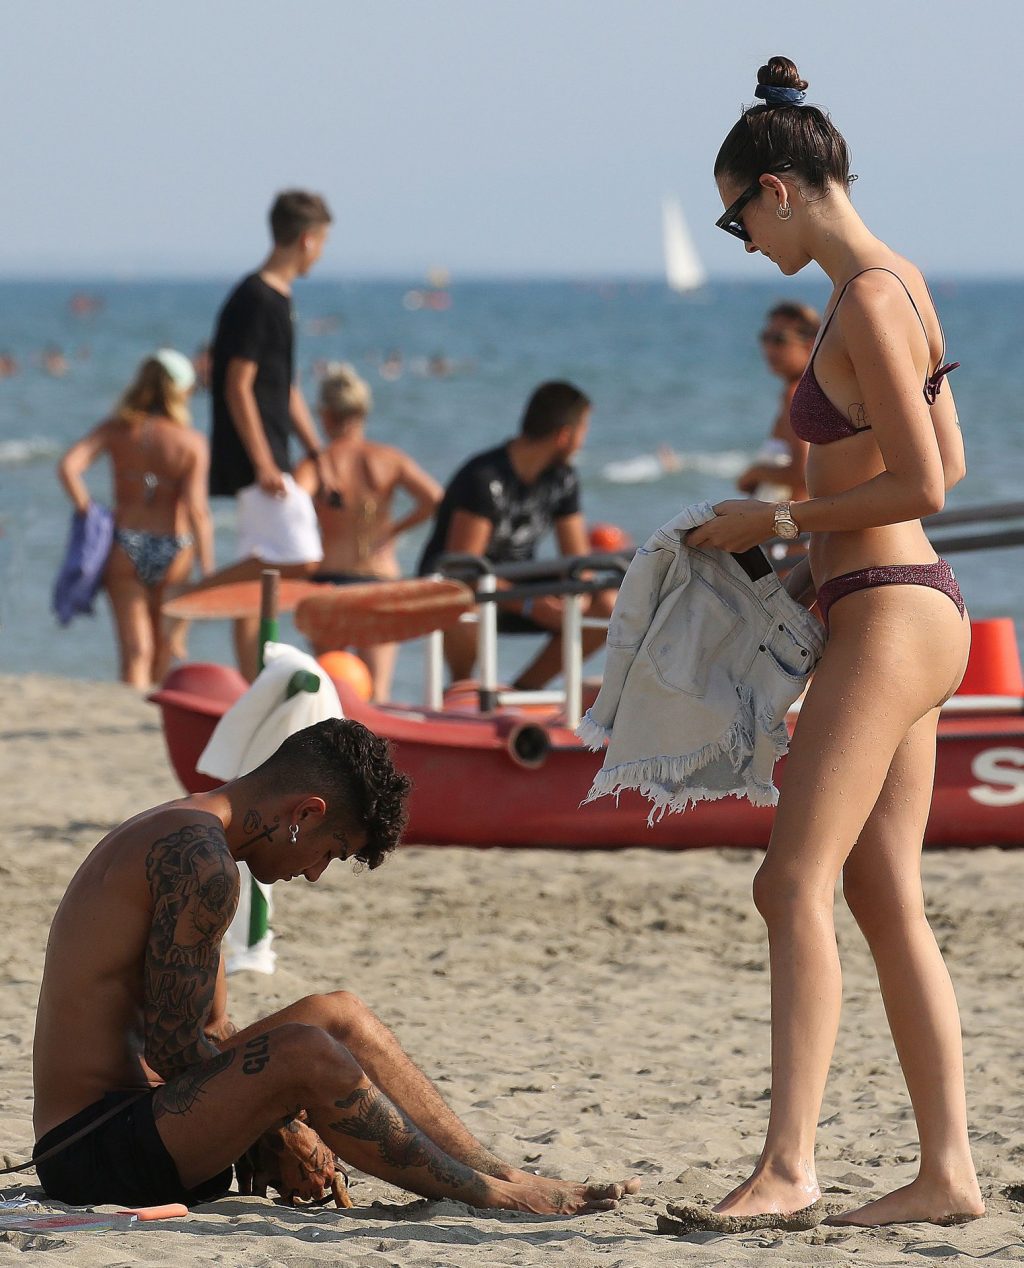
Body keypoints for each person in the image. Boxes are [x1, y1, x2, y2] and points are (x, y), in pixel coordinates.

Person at [685, 55, 981, 1230]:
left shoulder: (863, 299)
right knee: (879, 889)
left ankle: (789, 1166)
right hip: (902, 603)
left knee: (788, 879)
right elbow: (948, 459)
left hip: (891, 611)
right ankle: (946, 1172)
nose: (742, 241)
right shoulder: (899, 282)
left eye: (736, 218)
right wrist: (796, 557)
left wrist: (778, 520)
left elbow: (924, 483)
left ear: (776, 189)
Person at [31, 718, 639, 1214]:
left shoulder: (193, 833)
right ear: (306, 813)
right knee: (304, 1053)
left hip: (151, 1122)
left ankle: (499, 1172)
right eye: (333, 850)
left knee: (337, 1015)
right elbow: (172, 1050)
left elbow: (209, 1033)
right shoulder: (199, 861)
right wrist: (284, 1128)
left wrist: (266, 1115)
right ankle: (490, 1195)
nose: (317, 872)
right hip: (97, 1149)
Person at [207, 190, 334, 680]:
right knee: (301, 558)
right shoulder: (257, 298)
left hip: (270, 450)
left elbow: (287, 388)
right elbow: (237, 385)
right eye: (322, 242)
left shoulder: (279, 298)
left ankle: (251, 681)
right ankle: (186, 599)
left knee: (258, 577)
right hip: (255, 456)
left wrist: (317, 451)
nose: (321, 253)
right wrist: (263, 462)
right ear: (307, 240)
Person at [417, 381, 615, 690]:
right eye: (584, 429)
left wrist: (577, 599)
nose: (583, 440)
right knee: (463, 601)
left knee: (608, 604)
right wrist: (531, 605)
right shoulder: (484, 477)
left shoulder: (563, 479)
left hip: (516, 584)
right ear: (564, 435)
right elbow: (464, 569)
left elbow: (579, 562)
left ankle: (522, 690)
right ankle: (463, 691)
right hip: (461, 587)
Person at [57, 349, 214, 689]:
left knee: (136, 651)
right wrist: (209, 569)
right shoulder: (191, 442)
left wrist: (88, 510)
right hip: (176, 547)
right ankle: (155, 712)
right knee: (164, 648)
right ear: (181, 392)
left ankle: (133, 703)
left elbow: (68, 466)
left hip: (125, 543)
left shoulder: (117, 429)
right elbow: (197, 510)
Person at [294, 363, 443, 702]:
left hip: (329, 581)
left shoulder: (319, 464)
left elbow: (293, 503)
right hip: (379, 580)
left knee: (329, 693)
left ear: (325, 415)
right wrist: (393, 530)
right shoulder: (389, 458)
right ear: (363, 412)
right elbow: (435, 500)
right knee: (377, 694)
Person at [736, 301, 819, 502]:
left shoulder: (796, 394)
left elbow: (805, 472)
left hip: (794, 517)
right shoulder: (816, 390)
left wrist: (755, 473)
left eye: (779, 339)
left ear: (809, 345)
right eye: (765, 337)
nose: (769, 348)